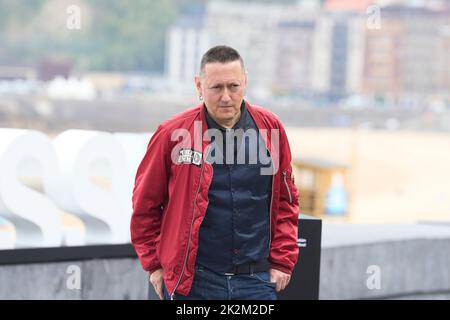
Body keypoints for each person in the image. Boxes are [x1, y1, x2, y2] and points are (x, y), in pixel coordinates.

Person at [130, 45, 299, 300]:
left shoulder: (271, 129)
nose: (226, 97)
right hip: (194, 282)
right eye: (216, 87)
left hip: (256, 281)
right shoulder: (171, 135)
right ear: (199, 86)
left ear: (245, 82)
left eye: (233, 86)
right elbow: (145, 204)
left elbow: (287, 201)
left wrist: (283, 261)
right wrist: (154, 265)